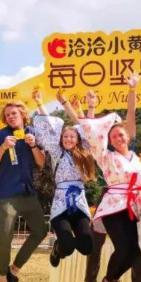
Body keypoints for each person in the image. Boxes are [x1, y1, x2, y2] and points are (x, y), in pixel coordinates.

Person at [78, 72, 141, 282]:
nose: (118, 138)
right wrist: (91, 108)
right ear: (109, 141)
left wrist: (132, 90)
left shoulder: (138, 160)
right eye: (113, 136)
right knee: (123, 247)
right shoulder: (106, 157)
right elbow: (92, 134)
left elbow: (131, 115)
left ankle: (109, 280)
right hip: (113, 206)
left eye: (121, 134)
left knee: (135, 252)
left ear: (128, 136)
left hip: (134, 208)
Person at [0, 100, 47, 282]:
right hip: (6, 194)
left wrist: (33, 146)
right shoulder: (0, 135)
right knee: (5, 237)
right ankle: (2, 276)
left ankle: (13, 270)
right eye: (7, 115)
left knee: (40, 232)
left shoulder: (32, 133)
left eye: (14, 113)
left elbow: (41, 162)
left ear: (22, 114)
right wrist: (3, 147)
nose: (10, 117)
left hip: (28, 193)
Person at [32, 87, 95, 267]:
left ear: (78, 139)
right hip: (61, 203)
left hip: (79, 202)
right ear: (60, 139)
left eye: (72, 136)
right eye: (65, 136)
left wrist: (91, 106)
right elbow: (49, 125)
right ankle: (58, 247)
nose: (68, 139)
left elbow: (88, 128)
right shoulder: (56, 151)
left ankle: (70, 242)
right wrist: (39, 103)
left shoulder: (85, 152)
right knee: (67, 247)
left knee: (87, 247)